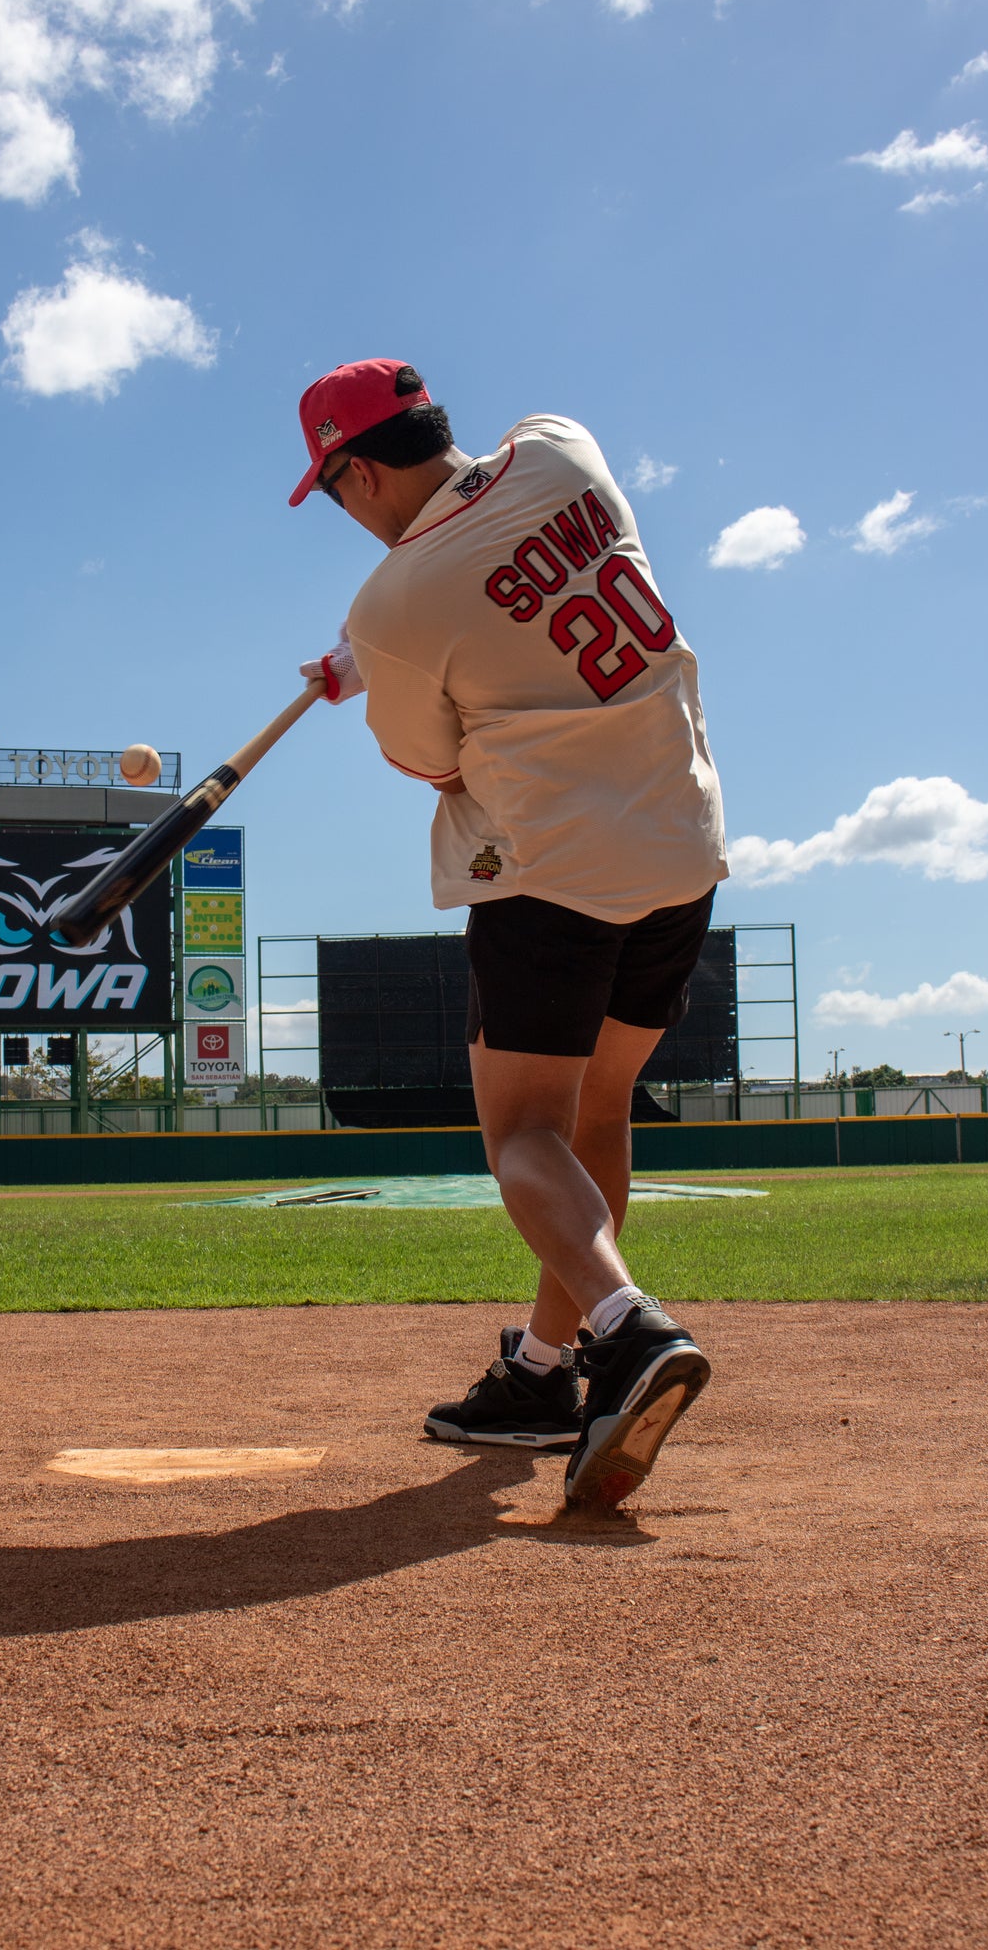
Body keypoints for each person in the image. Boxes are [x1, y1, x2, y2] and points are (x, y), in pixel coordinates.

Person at [291, 359, 726, 1510]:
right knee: (597, 1115)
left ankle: (627, 1332)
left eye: (332, 489)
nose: (340, 512)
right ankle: (542, 1374)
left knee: (525, 1134)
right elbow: (497, 583)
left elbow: (429, 761)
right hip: (680, 846)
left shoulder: (390, 607)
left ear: (360, 470)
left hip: (550, 874)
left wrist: (367, 656)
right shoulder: (559, 445)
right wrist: (364, 657)